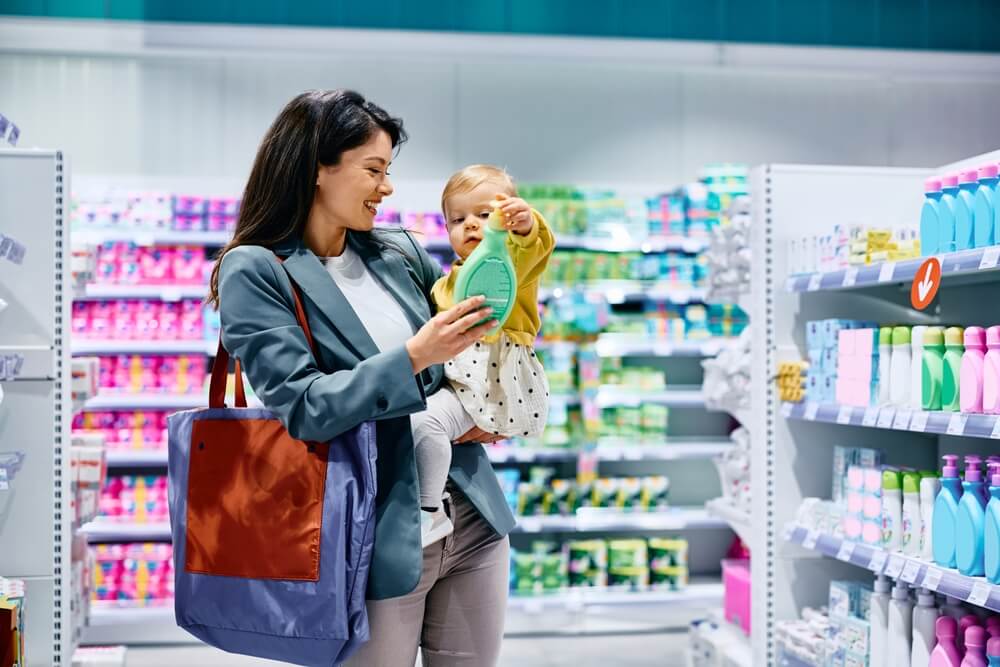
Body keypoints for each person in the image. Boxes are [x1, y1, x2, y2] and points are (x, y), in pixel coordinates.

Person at [210, 89, 515, 666]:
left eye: (388, 170)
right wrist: (414, 356)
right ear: (317, 168)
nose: (388, 187)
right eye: (373, 170)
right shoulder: (256, 269)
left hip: (473, 516)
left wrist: (493, 402)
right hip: (369, 536)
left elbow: (485, 324)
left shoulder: (396, 252)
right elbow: (302, 406)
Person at [412, 165, 555, 547]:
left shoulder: (510, 263)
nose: (471, 225)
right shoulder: (449, 280)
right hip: (463, 379)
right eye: (458, 219)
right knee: (424, 425)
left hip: (492, 377)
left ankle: (428, 513)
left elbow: (534, 247)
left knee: (426, 425)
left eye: (486, 215)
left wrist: (526, 225)